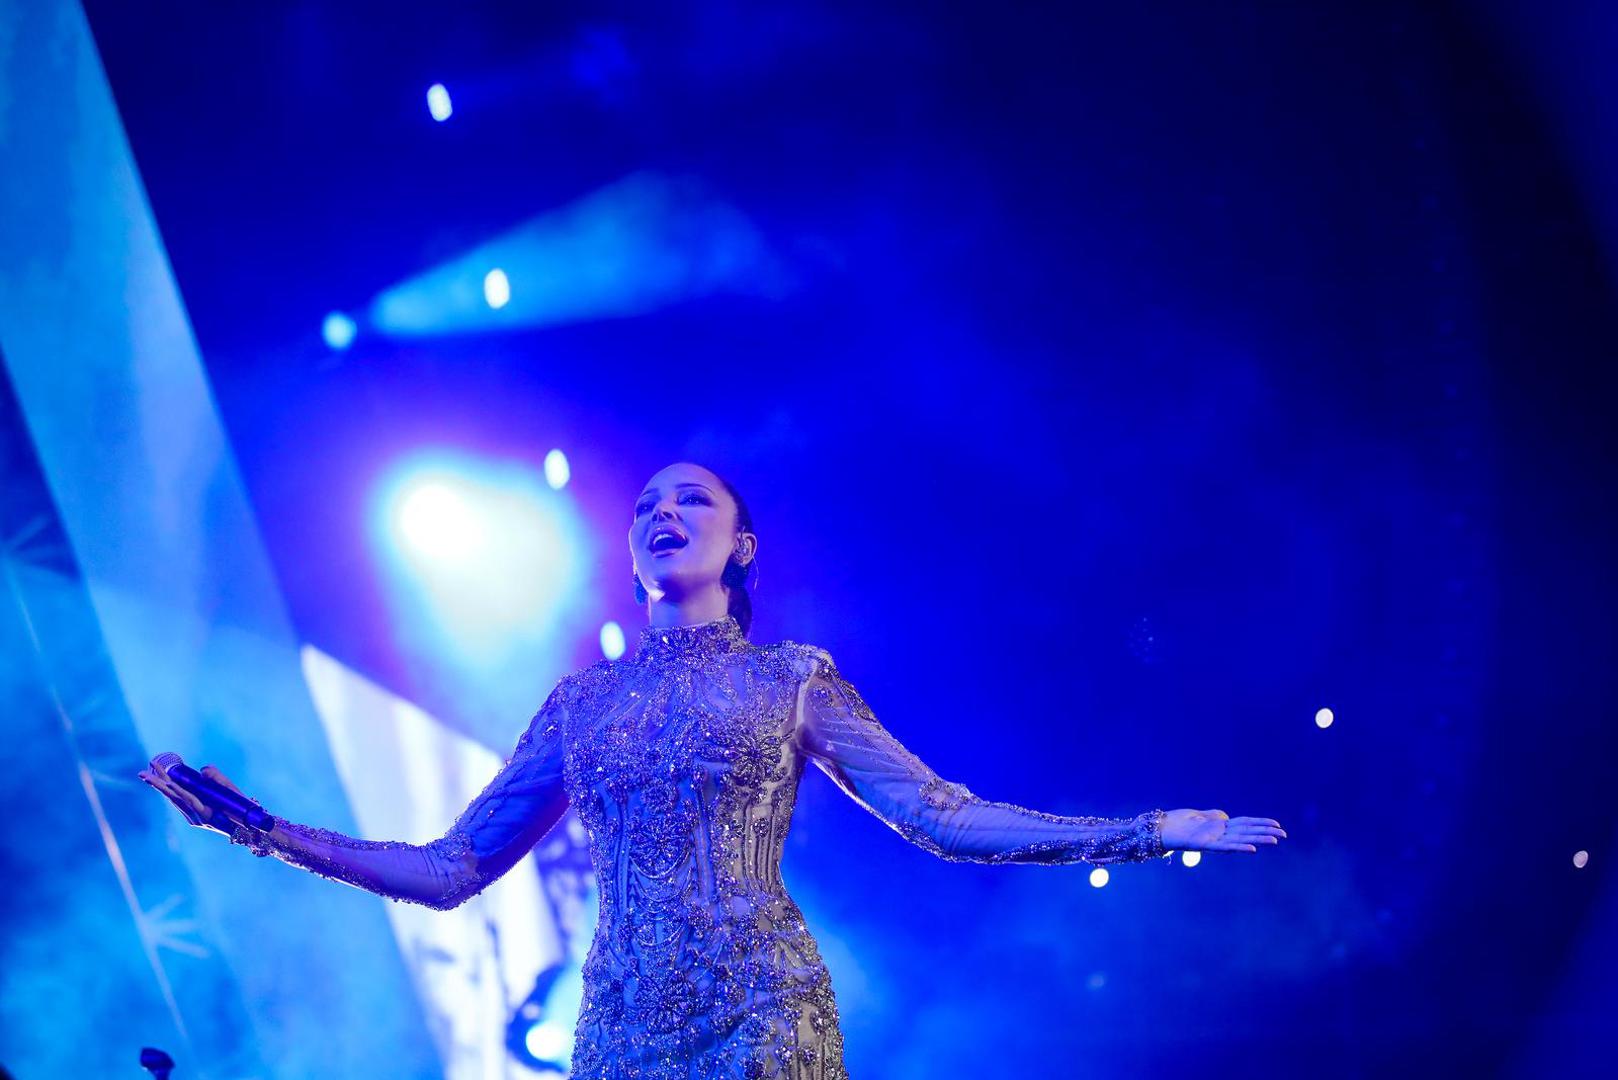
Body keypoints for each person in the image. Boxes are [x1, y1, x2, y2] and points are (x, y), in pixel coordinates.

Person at [141, 460, 1286, 1078]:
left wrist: (1143, 829)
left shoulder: (790, 679)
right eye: (645, 504)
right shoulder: (580, 705)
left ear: (740, 546)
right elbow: (451, 870)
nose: (662, 512)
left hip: (761, 1013)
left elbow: (940, 815)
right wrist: (268, 833)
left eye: (692, 498)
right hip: (619, 1028)